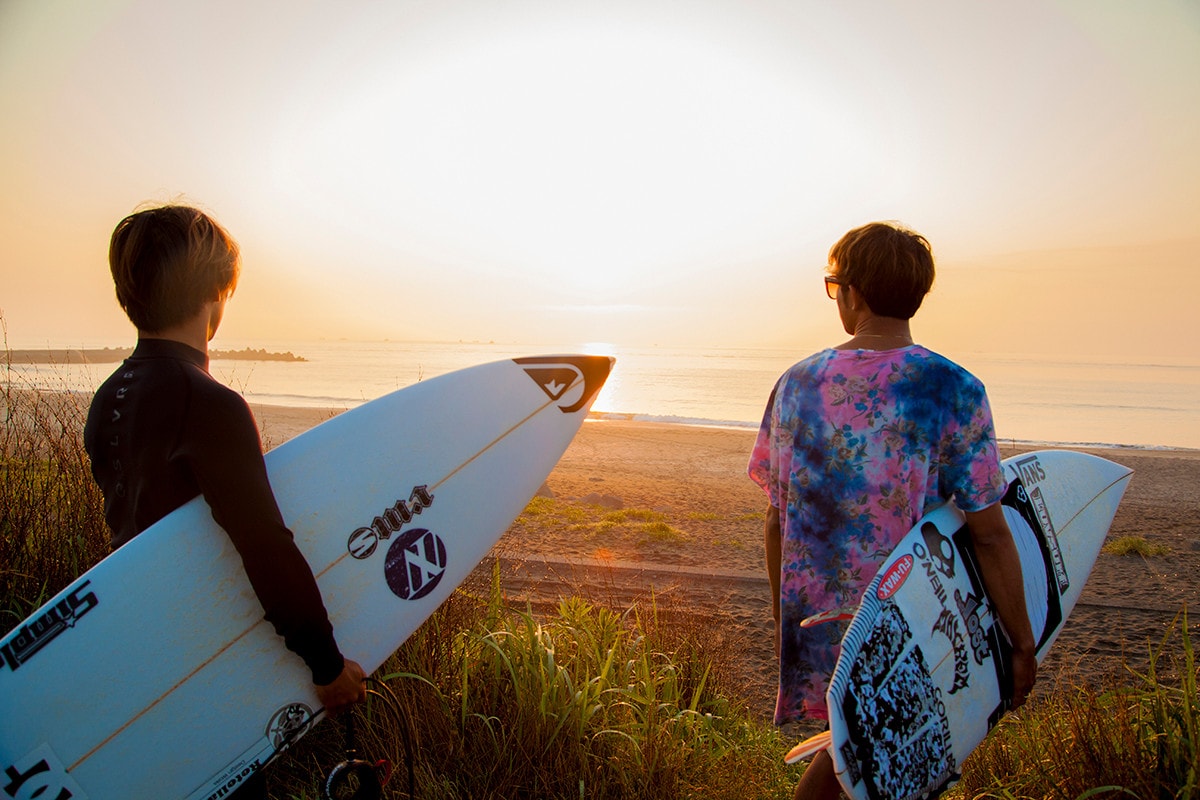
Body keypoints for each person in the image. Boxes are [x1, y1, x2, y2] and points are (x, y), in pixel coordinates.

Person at [83, 204, 366, 799]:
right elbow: (263, 542)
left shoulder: (107, 399)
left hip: (145, 656)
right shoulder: (207, 401)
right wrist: (325, 664)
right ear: (215, 292)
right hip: (213, 661)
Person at [747, 222, 1037, 800]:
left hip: (823, 623)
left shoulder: (797, 385)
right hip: (914, 617)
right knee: (884, 769)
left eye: (834, 288)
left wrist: (792, 623)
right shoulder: (952, 388)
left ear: (851, 292)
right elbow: (989, 532)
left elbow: (778, 519)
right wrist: (1022, 641)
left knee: (859, 761)